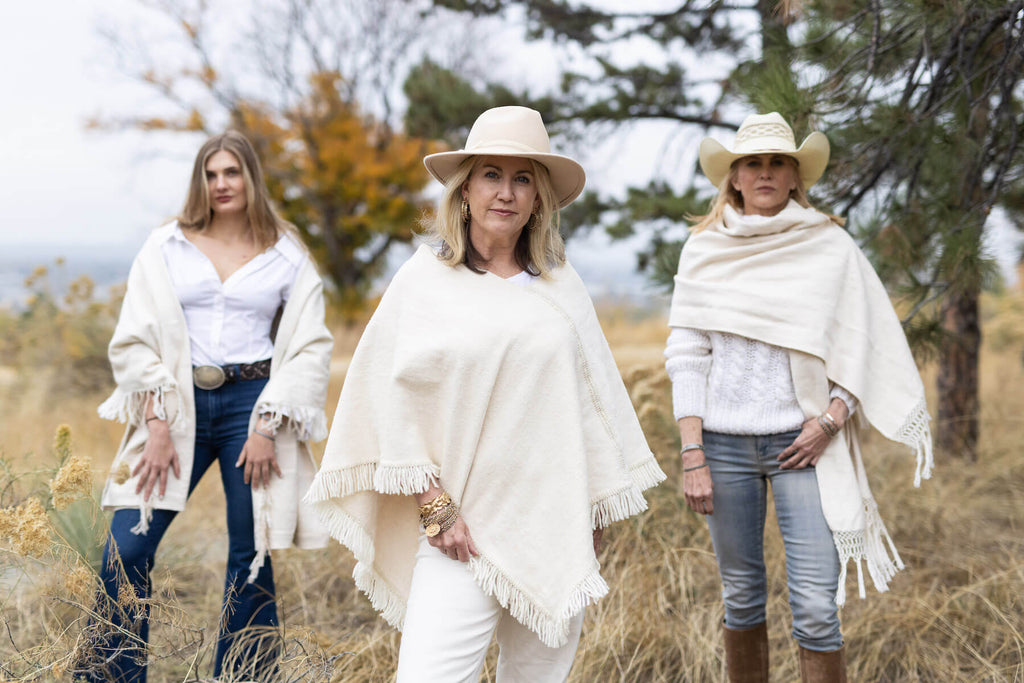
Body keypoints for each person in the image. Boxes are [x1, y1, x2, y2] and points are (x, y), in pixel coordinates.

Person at [305, 106, 666, 682]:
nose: (507, 192)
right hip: (458, 534)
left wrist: (592, 512)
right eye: (492, 175)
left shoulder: (561, 287)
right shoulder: (423, 283)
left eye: (523, 178)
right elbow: (390, 404)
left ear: (539, 198)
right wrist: (435, 508)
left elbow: (591, 408)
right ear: (465, 189)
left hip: (553, 526)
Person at [665, 112, 934, 683]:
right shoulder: (704, 250)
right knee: (741, 596)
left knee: (815, 606)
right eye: (752, 164)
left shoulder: (829, 246)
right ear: (733, 177)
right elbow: (688, 356)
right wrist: (692, 454)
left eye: (777, 163)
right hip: (722, 448)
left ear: (794, 176)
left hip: (805, 444)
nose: (764, 173)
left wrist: (832, 421)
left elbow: (860, 345)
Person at [80, 131, 333, 682]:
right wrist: (155, 421)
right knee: (127, 548)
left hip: (254, 403)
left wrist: (268, 424)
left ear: (250, 178)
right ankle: (109, 676)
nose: (221, 183)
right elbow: (134, 337)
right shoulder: (167, 244)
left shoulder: (286, 251)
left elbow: (312, 346)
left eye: (232, 172)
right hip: (177, 405)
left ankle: (244, 676)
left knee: (252, 557)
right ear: (201, 181)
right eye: (211, 174)